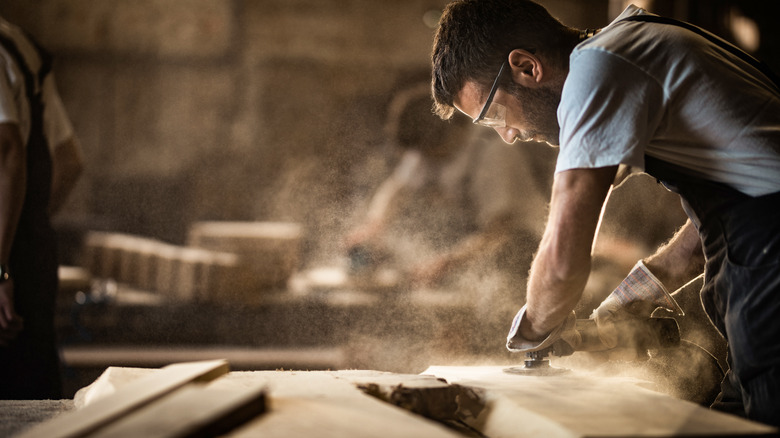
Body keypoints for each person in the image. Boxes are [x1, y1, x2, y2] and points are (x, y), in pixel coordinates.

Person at [431, 0, 779, 425]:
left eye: (494, 114)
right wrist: (647, 285)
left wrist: (533, 333)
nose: (507, 135)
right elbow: (740, 205)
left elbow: (562, 264)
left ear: (526, 67)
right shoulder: (628, 51)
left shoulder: (597, 70)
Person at [345, 82, 548, 330]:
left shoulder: (494, 154)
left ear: (452, 135)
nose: (424, 161)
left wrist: (447, 262)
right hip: (476, 249)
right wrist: (374, 226)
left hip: (525, 250)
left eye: (431, 153)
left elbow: (501, 232)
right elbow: (396, 190)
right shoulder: (428, 147)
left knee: (495, 317)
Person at [0, 15, 83, 399]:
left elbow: (8, 149)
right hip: (29, 261)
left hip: (7, 272)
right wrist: (26, 232)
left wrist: (2, 268)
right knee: (35, 403)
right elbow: (69, 162)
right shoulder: (20, 45)